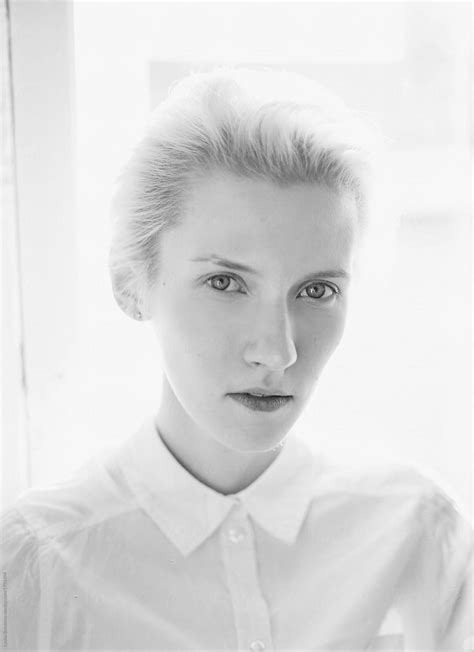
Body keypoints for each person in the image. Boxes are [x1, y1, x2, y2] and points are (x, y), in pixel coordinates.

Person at [1, 67, 472, 651]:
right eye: (225, 282)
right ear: (132, 283)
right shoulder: (33, 566)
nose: (278, 350)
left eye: (317, 290)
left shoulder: (418, 533)